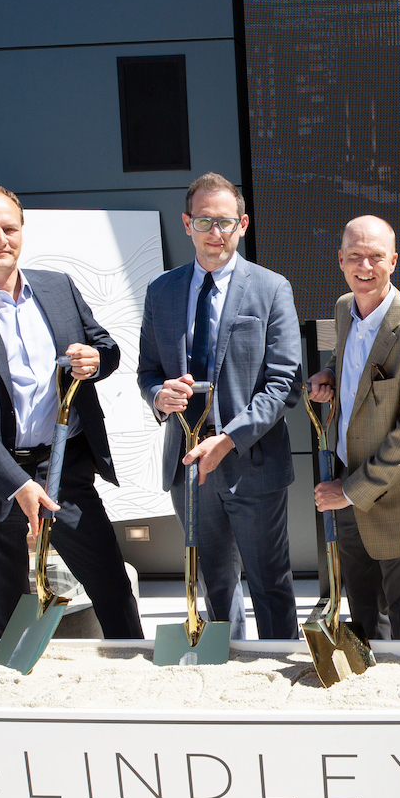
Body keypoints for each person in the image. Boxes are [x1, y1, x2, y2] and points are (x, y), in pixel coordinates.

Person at [0, 182, 143, 641]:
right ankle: (22, 701)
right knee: (9, 614)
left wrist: (97, 361)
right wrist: (17, 485)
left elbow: (106, 348)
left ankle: (137, 686)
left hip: (65, 471)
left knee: (112, 589)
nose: (1, 240)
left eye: (9, 228)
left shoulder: (57, 288)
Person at [136, 172, 301, 642]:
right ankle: (230, 675)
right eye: (204, 221)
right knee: (216, 586)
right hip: (188, 465)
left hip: (252, 461)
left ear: (243, 224)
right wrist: (158, 396)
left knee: (271, 584)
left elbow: (284, 383)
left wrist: (228, 441)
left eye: (225, 222)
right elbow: (148, 371)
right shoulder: (161, 291)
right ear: (186, 223)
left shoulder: (272, 289)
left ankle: (276, 676)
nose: (215, 232)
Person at [306, 215, 400, 642]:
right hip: (348, 491)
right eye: (354, 256)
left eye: (375, 257)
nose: (364, 267)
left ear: (394, 261)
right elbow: (350, 361)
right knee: (365, 620)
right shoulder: (342, 307)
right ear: (340, 260)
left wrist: (347, 491)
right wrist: (330, 375)